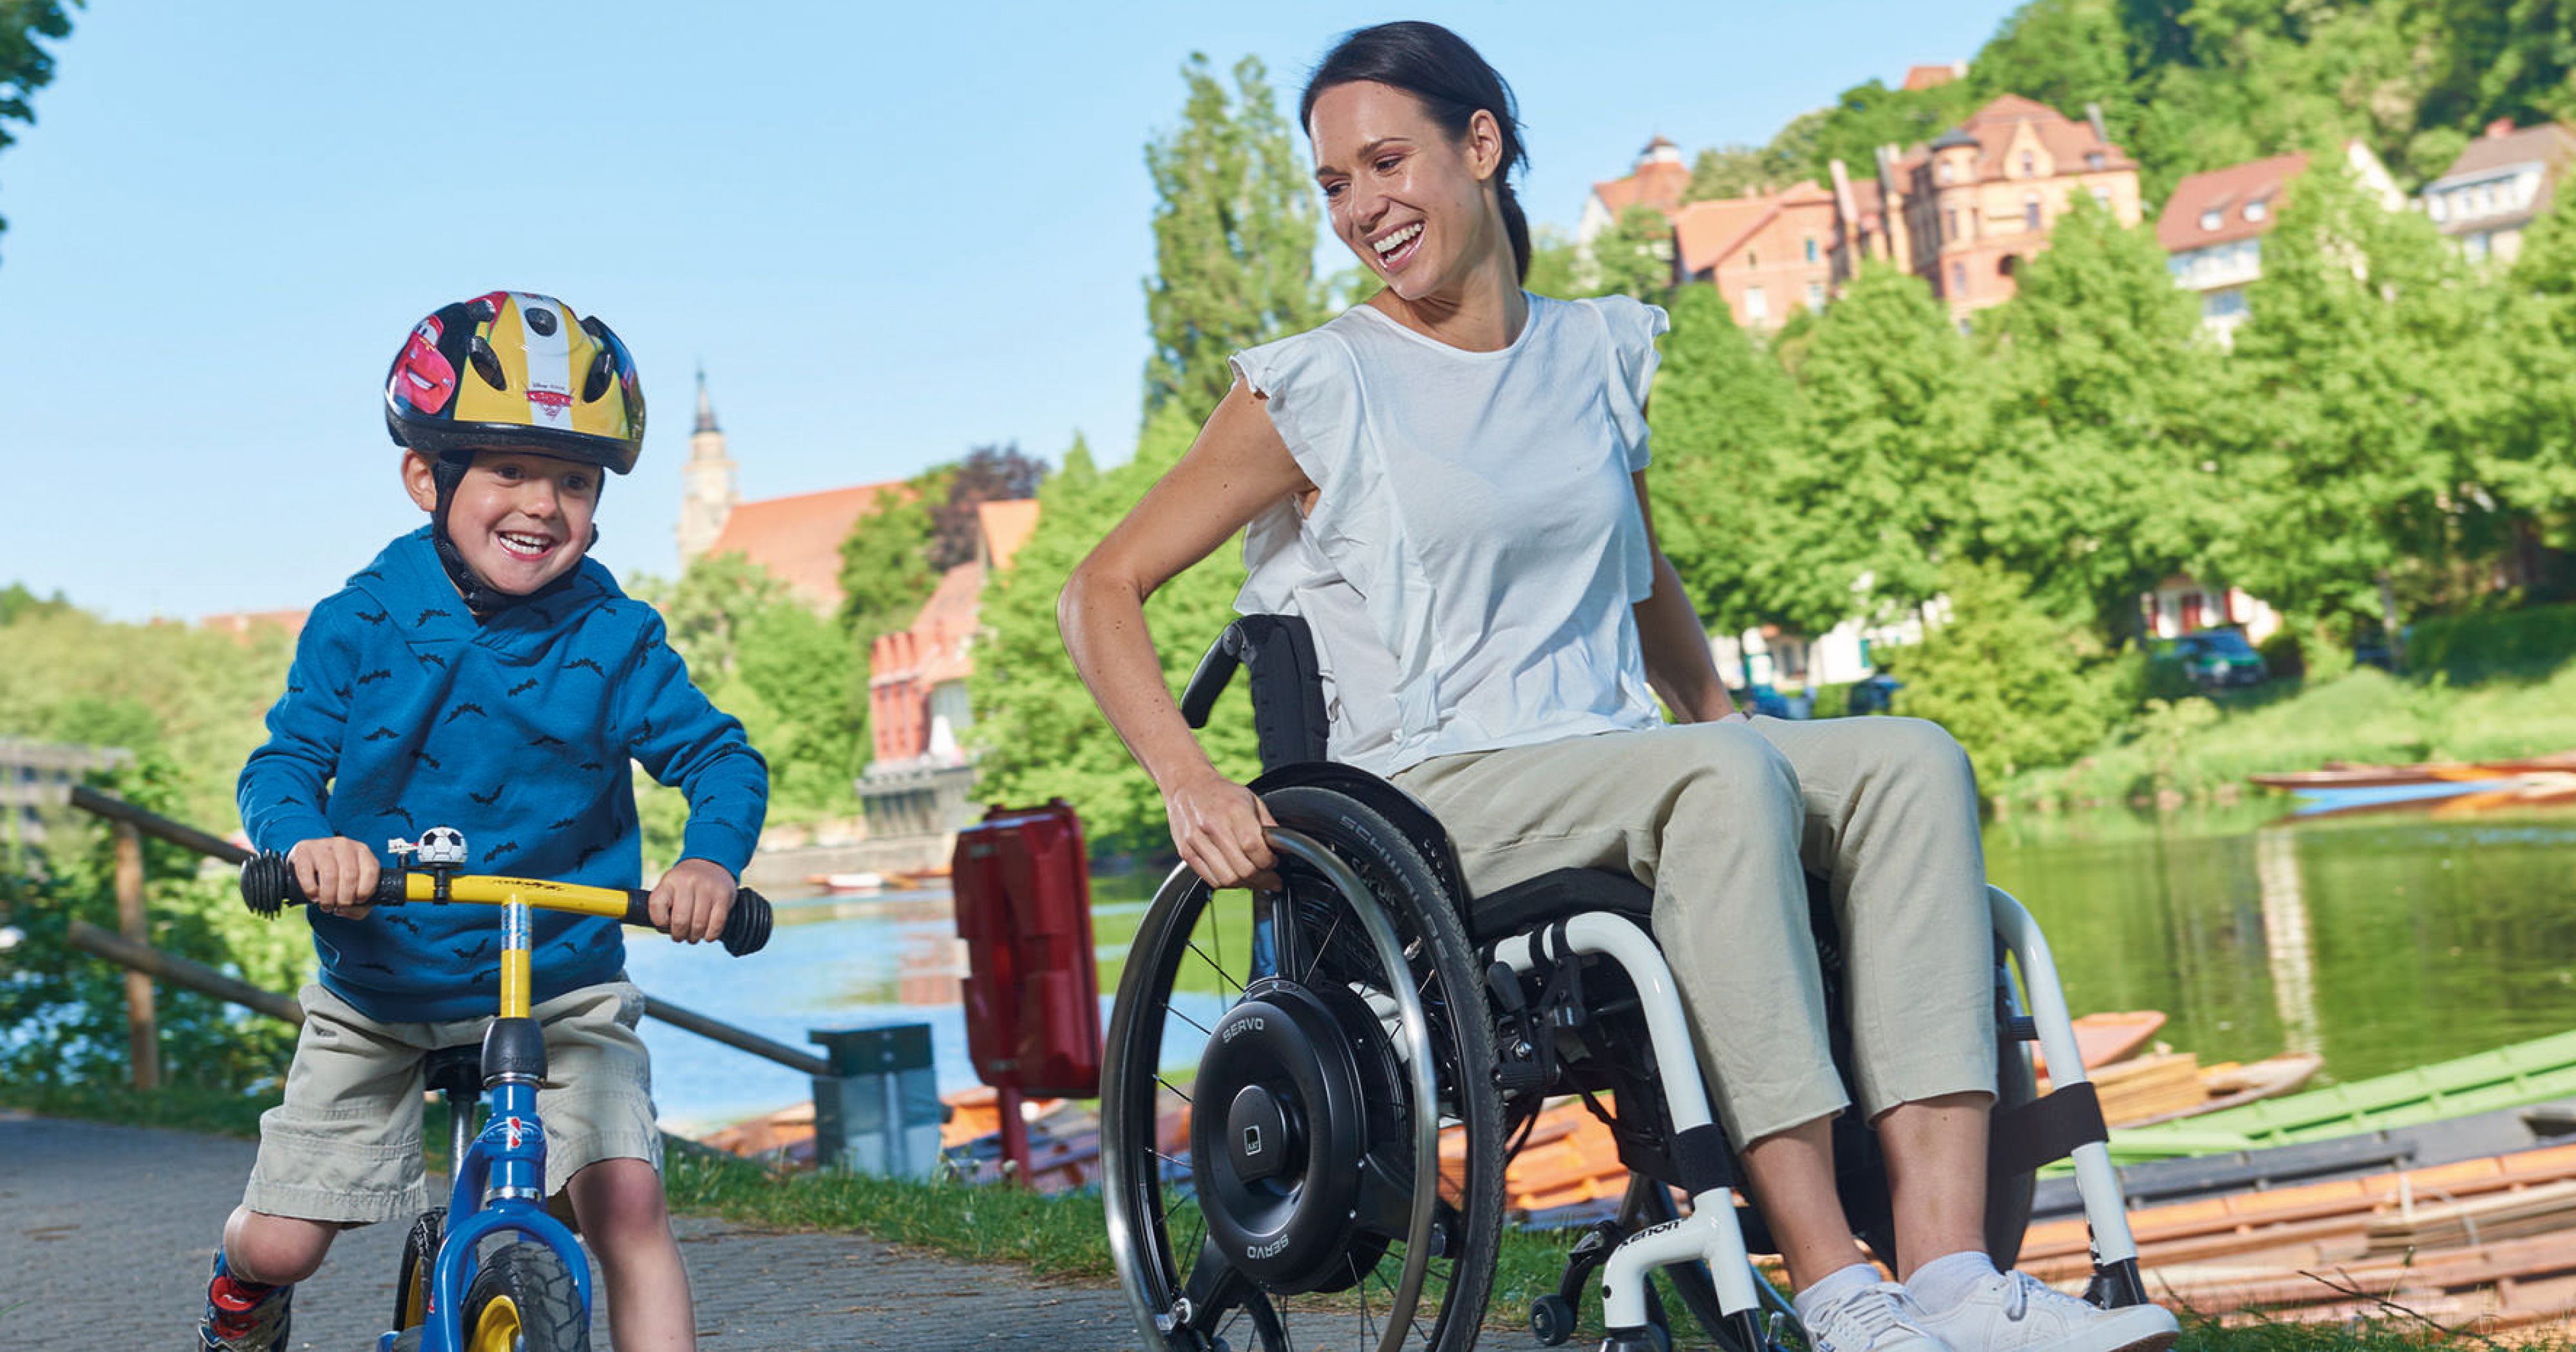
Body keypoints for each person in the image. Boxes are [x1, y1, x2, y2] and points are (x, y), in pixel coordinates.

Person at [1059, 23, 2179, 1352]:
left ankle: (1948, 1279)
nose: (1363, 207)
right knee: (1714, 779)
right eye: (1333, 185)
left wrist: (1724, 717)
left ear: (1479, 146)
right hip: (1425, 794)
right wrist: (1186, 781)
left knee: (1909, 760)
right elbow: (1099, 590)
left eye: (1384, 162)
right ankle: (1835, 1286)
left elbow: (1640, 577)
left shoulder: (1593, 352)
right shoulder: (1324, 385)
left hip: (1614, 756)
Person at [196, 290, 768, 1352]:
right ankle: (241, 1297)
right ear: (429, 477)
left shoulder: (617, 635)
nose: (542, 505)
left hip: (561, 980)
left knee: (625, 1204)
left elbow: (720, 757)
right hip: (382, 982)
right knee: (285, 1242)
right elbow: (285, 763)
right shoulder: (362, 620)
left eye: (574, 481)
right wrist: (305, 842)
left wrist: (710, 864)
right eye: (508, 470)